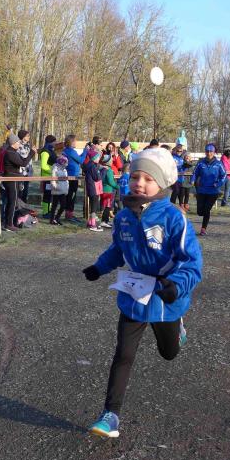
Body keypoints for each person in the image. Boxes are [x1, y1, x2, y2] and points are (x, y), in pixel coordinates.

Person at [82, 148, 202, 439]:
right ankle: (110, 415)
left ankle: (177, 330)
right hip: (134, 296)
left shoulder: (174, 219)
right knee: (123, 354)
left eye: (148, 179)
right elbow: (118, 249)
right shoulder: (123, 217)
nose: (139, 183)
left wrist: (176, 285)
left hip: (165, 298)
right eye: (135, 176)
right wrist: (99, 267)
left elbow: (192, 262)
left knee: (169, 353)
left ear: (162, 183)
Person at [2, 133, 36, 231]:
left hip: (14, 179)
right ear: (13, 143)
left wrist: (31, 153)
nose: (19, 144)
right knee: (12, 202)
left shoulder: (13, 152)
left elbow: (23, 160)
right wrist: (31, 153)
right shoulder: (10, 153)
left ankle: (9, 223)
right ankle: (9, 224)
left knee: (12, 202)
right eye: (18, 142)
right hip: (11, 180)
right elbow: (23, 163)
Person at [191, 143, 226, 236]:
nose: (209, 153)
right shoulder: (201, 163)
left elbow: (224, 175)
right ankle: (204, 217)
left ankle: (203, 229)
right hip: (202, 190)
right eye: (207, 151)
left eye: (211, 151)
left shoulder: (218, 164)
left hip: (213, 191)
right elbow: (195, 173)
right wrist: (193, 180)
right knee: (199, 212)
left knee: (207, 210)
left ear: (214, 152)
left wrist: (218, 184)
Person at [62, 134, 83, 223]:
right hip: (73, 176)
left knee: (69, 195)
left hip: (69, 176)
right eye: (75, 141)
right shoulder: (71, 151)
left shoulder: (66, 150)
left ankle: (69, 214)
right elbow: (81, 160)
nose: (76, 142)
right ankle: (69, 215)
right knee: (71, 196)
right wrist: (86, 151)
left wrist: (82, 154)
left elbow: (77, 158)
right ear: (71, 142)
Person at [84, 151, 103, 231]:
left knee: (92, 205)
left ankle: (90, 222)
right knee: (94, 207)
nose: (99, 159)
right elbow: (97, 178)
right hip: (94, 188)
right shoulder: (92, 166)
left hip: (91, 188)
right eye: (98, 157)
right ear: (94, 158)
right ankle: (93, 224)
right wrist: (102, 172)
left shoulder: (89, 165)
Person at [39, 135, 58, 217]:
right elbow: (43, 165)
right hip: (47, 177)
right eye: (54, 141)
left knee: (50, 195)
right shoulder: (45, 151)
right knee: (47, 195)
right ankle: (45, 212)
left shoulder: (51, 150)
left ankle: (49, 211)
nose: (56, 143)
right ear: (50, 142)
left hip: (51, 177)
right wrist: (52, 171)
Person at [99, 154, 118, 228]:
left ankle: (106, 220)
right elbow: (111, 181)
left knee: (106, 205)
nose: (112, 161)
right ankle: (104, 221)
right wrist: (117, 186)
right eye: (111, 160)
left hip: (103, 189)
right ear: (108, 162)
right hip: (108, 190)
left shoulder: (102, 169)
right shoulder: (109, 170)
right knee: (107, 206)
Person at [49, 155, 69, 225]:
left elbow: (66, 180)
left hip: (63, 190)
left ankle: (57, 218)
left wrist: (66, 188)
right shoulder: (55, 168)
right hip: (57, 190)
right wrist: (55, 187)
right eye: (64, 162)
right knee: (54, 206)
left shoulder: (65, 170)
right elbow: (53, 179)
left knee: (63, 205)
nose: (66, 164)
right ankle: (52, 220)